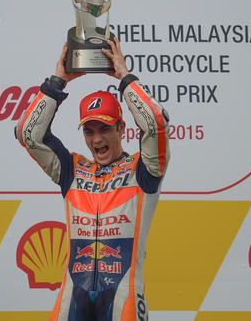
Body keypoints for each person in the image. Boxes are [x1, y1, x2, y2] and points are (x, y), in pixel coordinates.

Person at [16, 38, 169, 320]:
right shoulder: (71, 170)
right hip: (74, 297)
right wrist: (57, 81)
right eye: (89, 131)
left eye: (104, 128)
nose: (96, 139)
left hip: (123, 295)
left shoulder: (144, 170)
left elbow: (156, 123)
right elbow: (27, 133)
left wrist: (124, 76)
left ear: (121, 128)